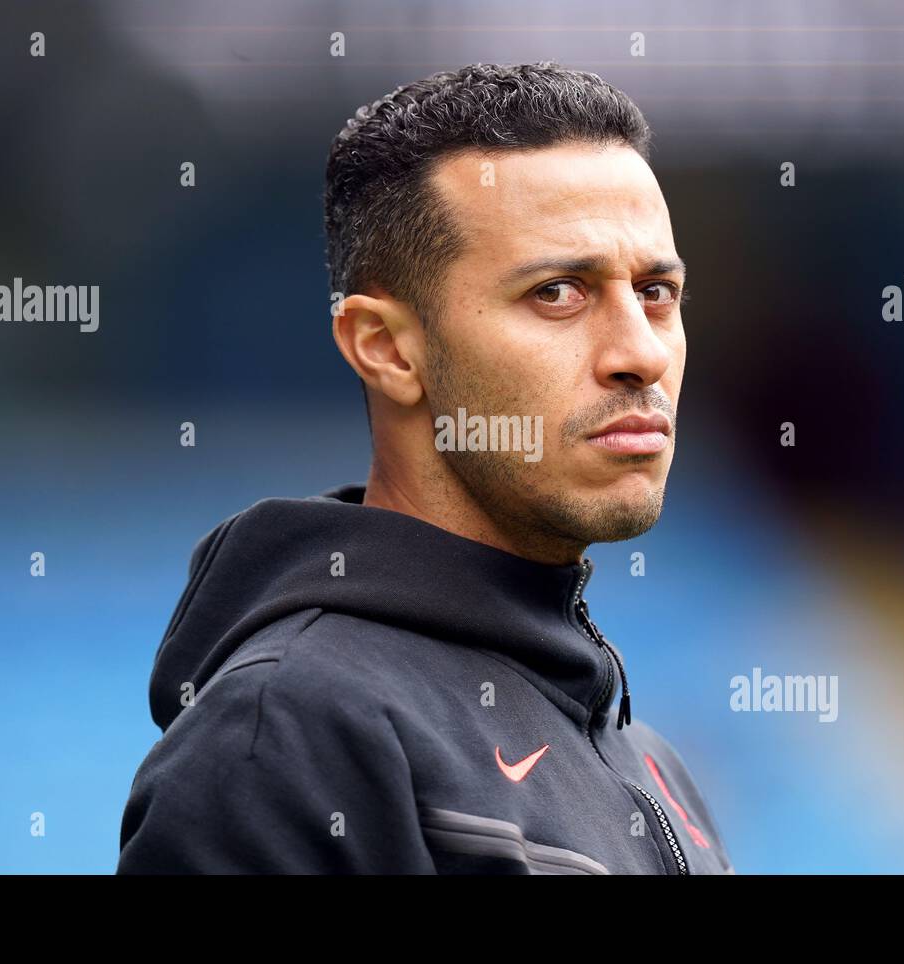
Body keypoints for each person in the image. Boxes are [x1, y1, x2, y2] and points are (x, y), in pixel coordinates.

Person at [117, 61, 733, 874]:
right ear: (386, 348)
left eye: (656, 292)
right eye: (558, 292)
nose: (641, 353)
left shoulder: (651, 763)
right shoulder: (288, 734)